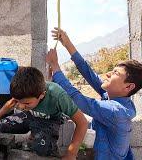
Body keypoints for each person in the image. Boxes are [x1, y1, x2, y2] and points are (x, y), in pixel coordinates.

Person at [46, 27, 142, 159]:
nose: (108, 74)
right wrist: (67, 43)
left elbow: (78, 99)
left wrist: (55, 66)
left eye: (115, 73)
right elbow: (88, 72)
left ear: (128, 86)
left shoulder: (116, 111)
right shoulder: (112, 97)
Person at [0, 67, 88, 159]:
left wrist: (71, 153)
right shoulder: (23, 91)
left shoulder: (58, 96)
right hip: (29, 116)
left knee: (42, 149)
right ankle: (29, 138)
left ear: (41, 95)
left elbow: (82, 123)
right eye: (19, 102)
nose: (21, 107)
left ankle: (48, 149)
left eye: (26, 103)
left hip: (49, 120)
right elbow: (9, 104)